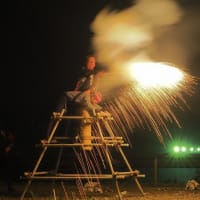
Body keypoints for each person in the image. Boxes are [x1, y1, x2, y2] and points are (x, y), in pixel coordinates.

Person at [0, 128, 16, 192]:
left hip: (4, 154)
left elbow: (12, 141)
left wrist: (9, 147)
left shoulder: (6, 132)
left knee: (8, 170)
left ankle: (10, 186)